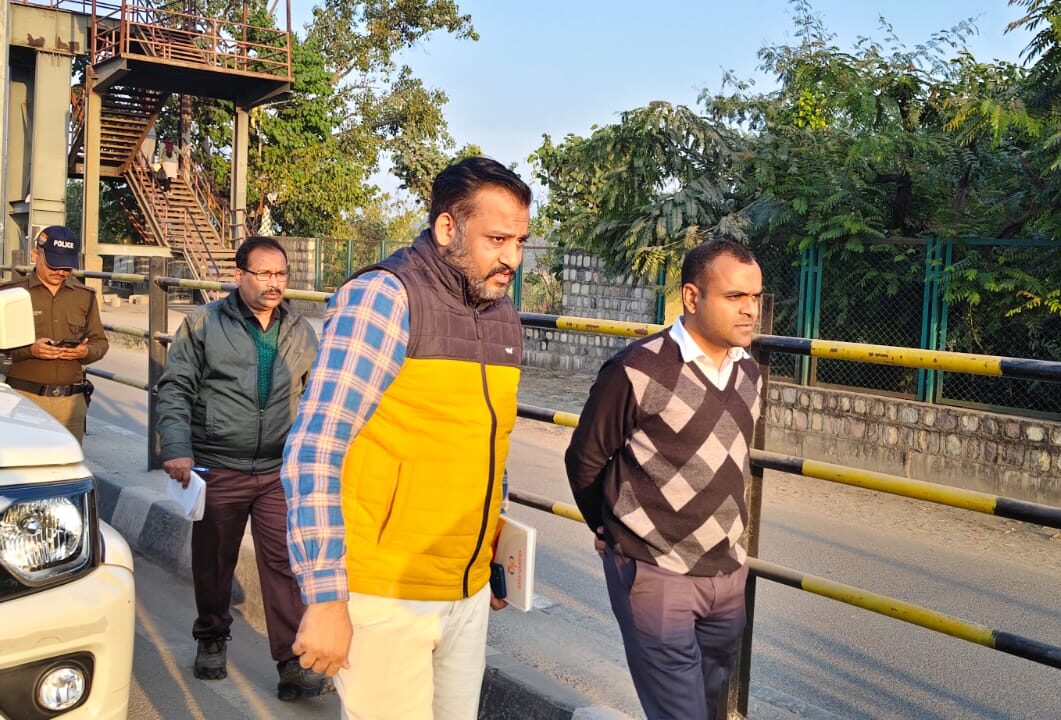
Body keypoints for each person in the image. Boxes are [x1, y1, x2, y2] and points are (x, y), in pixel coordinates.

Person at [281, 156, 531, 719]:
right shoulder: (386, 297)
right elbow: (314, 449)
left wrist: (491, 553)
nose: (512, 259)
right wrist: (326, 598)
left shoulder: (502, 315)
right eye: (496, 239)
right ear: (447, 228)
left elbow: (489, 445)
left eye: (520, 241)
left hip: (466, 590)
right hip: (386, 593)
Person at [564, 238, 764, 720]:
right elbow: (585, 459)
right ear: (692, 297)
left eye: (755, 297)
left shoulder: (750, 373)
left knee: (711, 708)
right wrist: (606, 527)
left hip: (727, 575)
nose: (750, 310)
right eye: (735, 296)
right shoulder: (637, 368)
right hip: (656, 572)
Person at [154, 235, 329, 701]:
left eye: (281, 274)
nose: (274, 283)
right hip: (219, 464)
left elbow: (315, 397)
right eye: (264, 273)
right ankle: (211, 637)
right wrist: (177, 446)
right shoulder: (204, 323)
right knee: (214, 561)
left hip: (277, 469)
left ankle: (292, 661)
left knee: (285, 564)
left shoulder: (300, 330)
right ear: (239, 276)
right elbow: (175, 388)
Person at [2, 226, 107, 443]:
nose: (60, 272)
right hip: (23, 401)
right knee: (25, 461)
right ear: (35, 254)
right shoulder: (10, 295)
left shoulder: (84, 296)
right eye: (54, 264)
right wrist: (30, 351)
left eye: (67, 267)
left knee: (68, 462)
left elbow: (100, 342)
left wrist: (85, 351)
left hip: (71, 405)